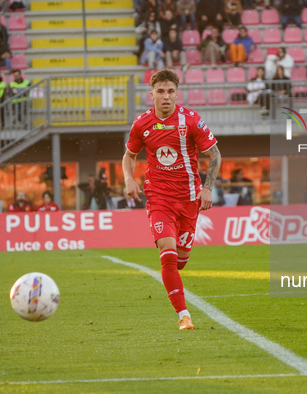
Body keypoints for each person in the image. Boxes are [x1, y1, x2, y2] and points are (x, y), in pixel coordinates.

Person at [122, 68, 222, 330]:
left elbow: (215, 154)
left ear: (177, 94)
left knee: (180, 260)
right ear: (151, 94)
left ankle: (177, 280)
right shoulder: (142, 124)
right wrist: (129, 179)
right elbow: (129, 155)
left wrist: (208, 188)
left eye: (170, 92)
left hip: (189, 199)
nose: (165, 97)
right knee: (167, 256)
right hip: (159, 198)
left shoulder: (191, 121)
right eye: (160, 91)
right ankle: (183, 315)